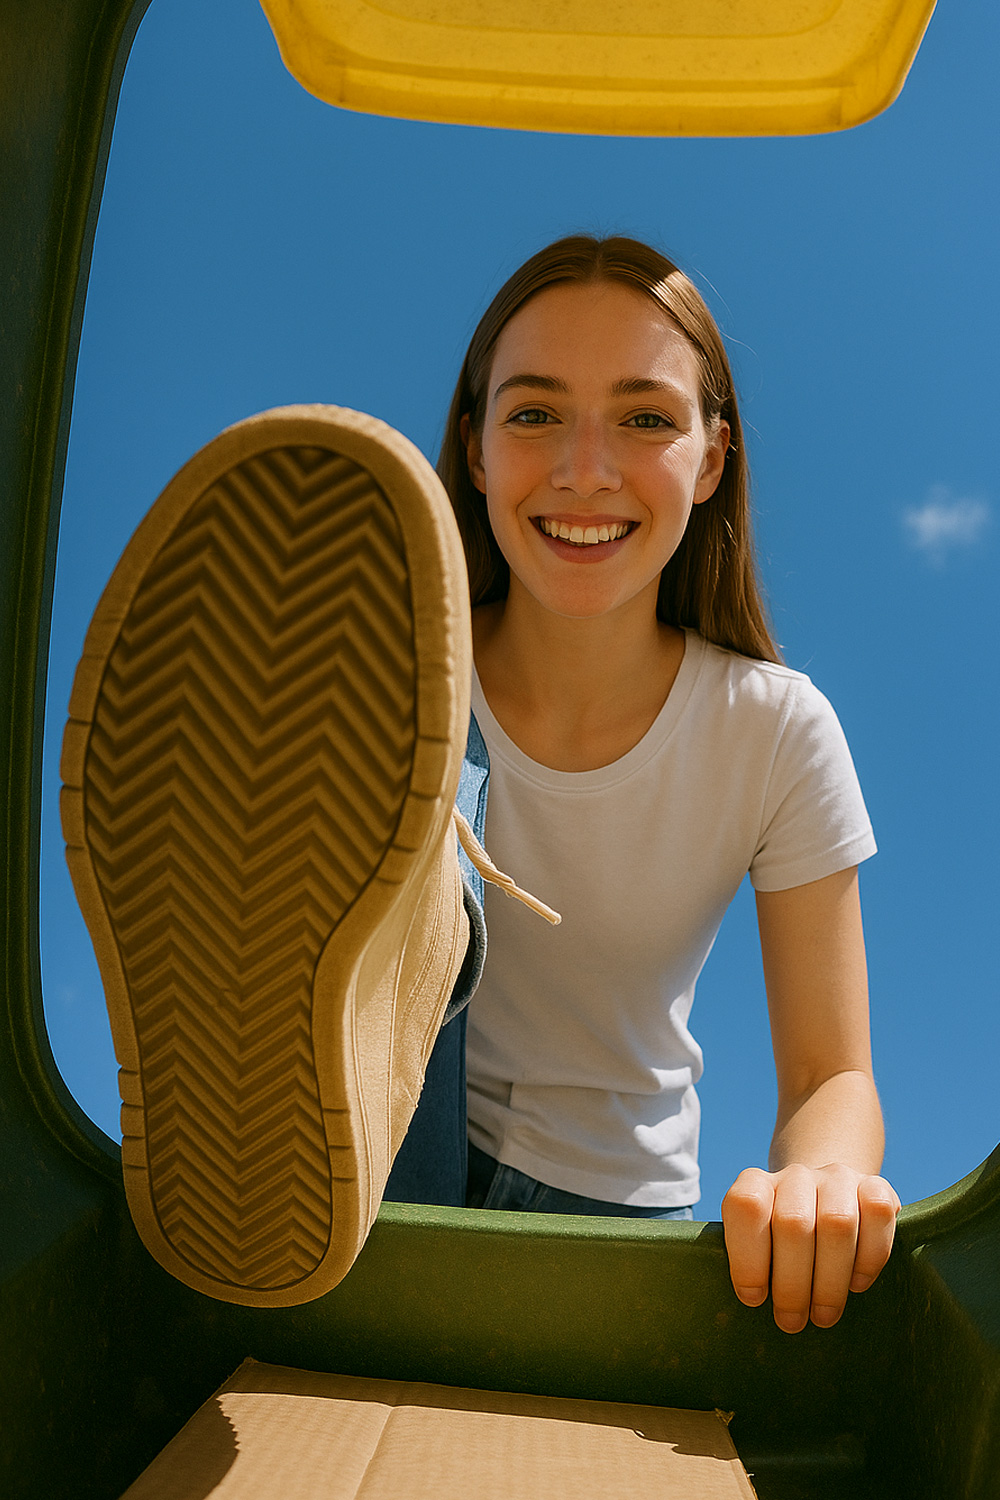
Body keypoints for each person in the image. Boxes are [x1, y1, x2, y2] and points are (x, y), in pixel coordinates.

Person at [62, 233, 899, 1331]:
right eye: (534, 414)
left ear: (709, 459)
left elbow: (831, 1074)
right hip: (365, 1160)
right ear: (474, 448)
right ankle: (274, 1087)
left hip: (610, 1214)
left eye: (644, 418)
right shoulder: (382, 674)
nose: (583, 468)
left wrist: (819, 1181)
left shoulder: (776, 730)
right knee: (399, 730)